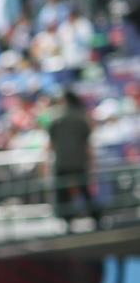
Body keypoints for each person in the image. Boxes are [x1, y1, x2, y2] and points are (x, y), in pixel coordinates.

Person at [47, 90, 100, 230]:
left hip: (62, 161)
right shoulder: (80, 118)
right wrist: (91, 162)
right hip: (79, 161)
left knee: (63, 193)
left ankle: (67, 222)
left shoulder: (57, 118)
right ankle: (97, 219)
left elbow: (51, 144)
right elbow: (87, 144)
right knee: (85, 191)